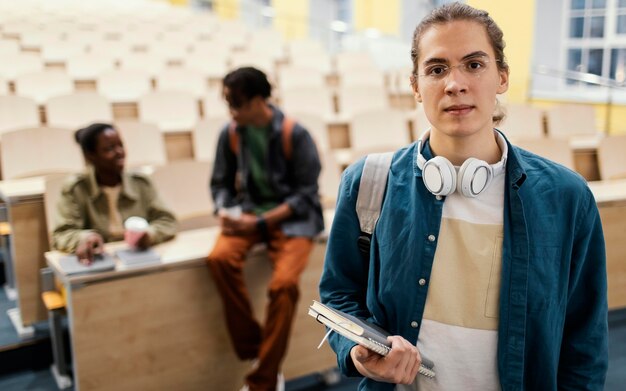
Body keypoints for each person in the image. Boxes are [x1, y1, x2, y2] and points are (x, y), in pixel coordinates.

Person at [319, 3, 608, 390]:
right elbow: (339, 294)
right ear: (416, 86)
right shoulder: (370, 182)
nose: (455, 84)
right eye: (437, 69)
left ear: (502, 77)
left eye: (474, 65)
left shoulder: (566, 198)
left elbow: (583, 340)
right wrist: (358, 351)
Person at [206, 67, 324, 391]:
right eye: (229, 104)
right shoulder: (229, 132)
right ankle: (256, 349)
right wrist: (223, 209)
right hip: (248, 214)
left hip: (292, 220)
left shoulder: (294, 133)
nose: (232, 111)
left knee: (284, 285)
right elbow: (220, 183)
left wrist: (259, 221)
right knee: (218, 259)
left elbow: (306, 195)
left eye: (237, 104)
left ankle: (264, 380)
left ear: (259, 100)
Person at [52, 123, 177, 264]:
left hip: (140, 260)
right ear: (90, 156)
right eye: (109, 148)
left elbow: (167, 221)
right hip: (99, 263)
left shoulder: (141, 183)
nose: (119, 152)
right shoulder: (76, 189)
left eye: (121, 145)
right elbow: (62, 234)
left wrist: (150, 234)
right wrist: (85, 238)